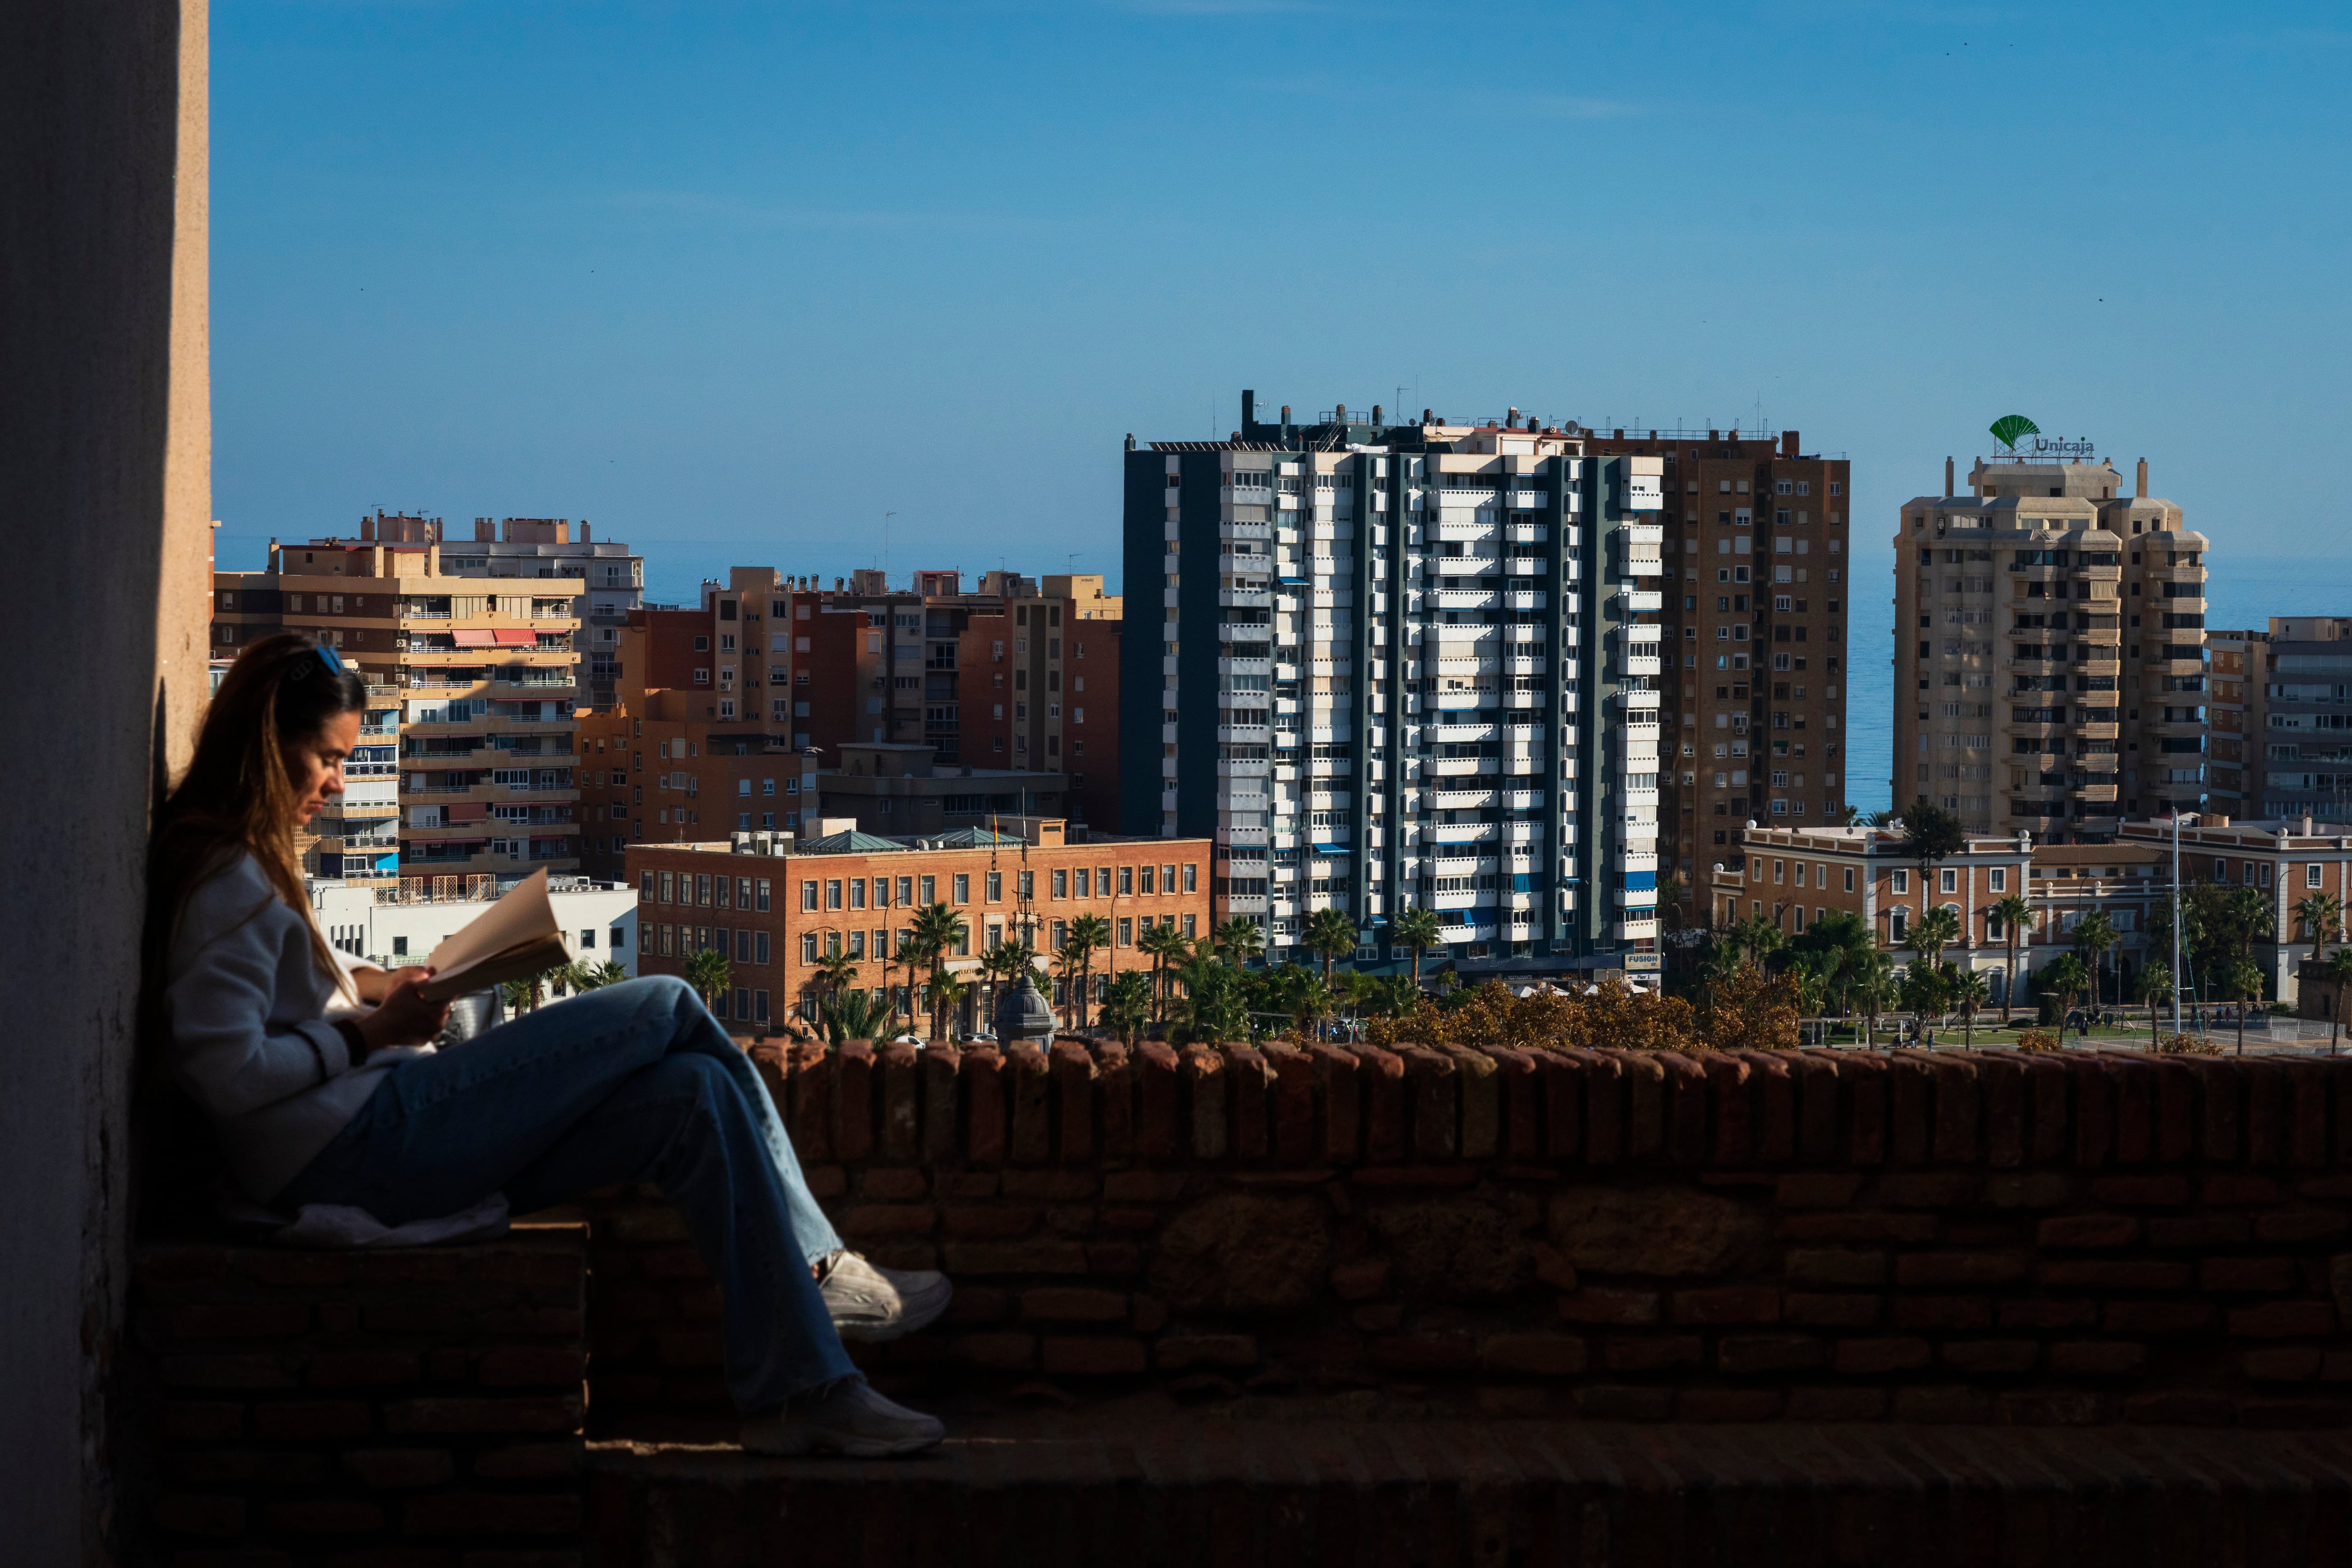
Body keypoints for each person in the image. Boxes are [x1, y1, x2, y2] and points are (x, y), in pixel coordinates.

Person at [144, 635, 947, 1457]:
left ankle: (800, 1392)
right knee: (666, 1002)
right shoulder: (225, 877)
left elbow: (280, 985)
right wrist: (371, 1034)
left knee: (694, 1096)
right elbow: (224, 1072)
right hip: (358, 1147)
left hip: (368, 1136)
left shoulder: (246, 866)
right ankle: (819, 1267)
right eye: (327, 758)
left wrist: (379, 984)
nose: (339, 782)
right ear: (266, 744)